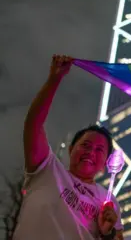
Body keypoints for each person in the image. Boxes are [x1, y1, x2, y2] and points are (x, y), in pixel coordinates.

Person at [14, 55, 124, 240]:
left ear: (106, 163)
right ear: (71, 149)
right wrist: (54, 80)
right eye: (86, 145)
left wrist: (108, 233)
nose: (90, 152)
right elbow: (34, 124)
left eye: (99, 150)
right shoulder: (46, 168)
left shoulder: (109, 201)